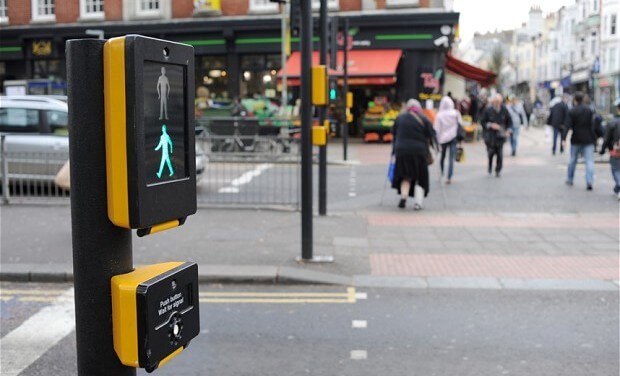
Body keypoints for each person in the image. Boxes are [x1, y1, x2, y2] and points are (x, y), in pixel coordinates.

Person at [391, 99, 436, 210]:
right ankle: (418, 203)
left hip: (401, 151)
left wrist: (393, 151)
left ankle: (404, 197)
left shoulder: (400, 118)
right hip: (419, 152)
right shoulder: (424, 118)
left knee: (406, 175)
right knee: (420, 177)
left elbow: (394, 133)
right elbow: (432, 134)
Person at [562, 91, 596, 190]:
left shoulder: (572, 111)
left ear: (575, 100)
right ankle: (589, 181)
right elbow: (593, 125)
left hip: (576, 138)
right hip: (588, 139)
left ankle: (570, 179)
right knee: (589, 161)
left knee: (573, 160)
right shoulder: (589, 110)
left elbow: (567, 126)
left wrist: (563, 138)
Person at [479, 93, 512, 177]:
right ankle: (490, 166)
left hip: (500, 136)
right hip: (490, 136)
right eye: (496, 101)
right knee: (490, 153)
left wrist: (508, 130)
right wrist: (490, 125)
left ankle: (498, 170)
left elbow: (509, 122)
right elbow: (482, 121)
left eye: (499, 101)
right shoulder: (488, 110)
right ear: (493, 102)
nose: (498, 103)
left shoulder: (504, 109)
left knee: (500, 154)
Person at [433, 96, 462, 184]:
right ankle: (449, 176)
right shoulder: (455, 113)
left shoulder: (439, 114)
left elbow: (436, 128)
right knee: (451, 158)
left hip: (443, 138)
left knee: (442, 156)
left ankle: (441, 173)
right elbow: (460, 124)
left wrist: (436, 139)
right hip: (453, 137)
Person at [599, 98, 620, 199]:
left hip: (616, 150)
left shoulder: (613, 122)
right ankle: (617, 189)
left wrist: (602, 150)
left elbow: (606, 138)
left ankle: (618, 187)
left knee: (616, 170)